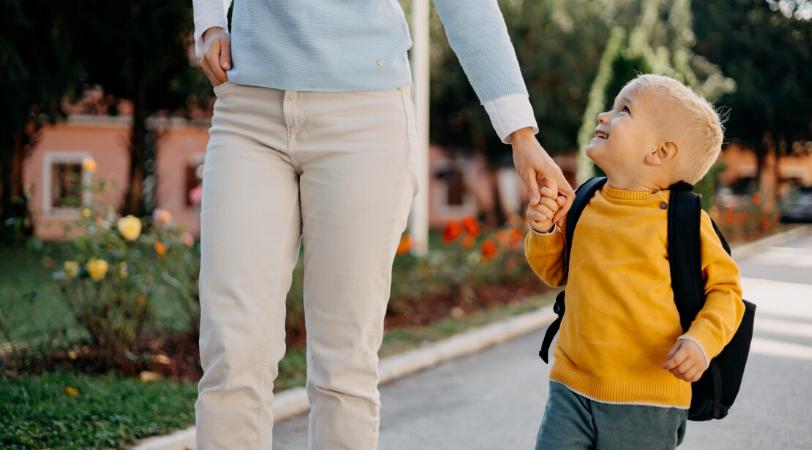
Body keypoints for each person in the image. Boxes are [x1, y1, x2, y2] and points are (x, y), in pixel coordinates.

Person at [191, 1, 573, 448]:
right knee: (231, 352)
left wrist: (520, 134)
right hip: (249, 111)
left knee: (343, 363)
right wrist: (211, 24)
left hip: (364, 120)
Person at [524, 74, 745, 449]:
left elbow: (727, 293)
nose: (603, 116)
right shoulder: (586, 200)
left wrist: (700, 342)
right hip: (571, 385)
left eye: (623, 110)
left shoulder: (683, 221)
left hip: (648, 399)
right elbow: (555, 272)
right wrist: (545, 233)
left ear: (659, 152)